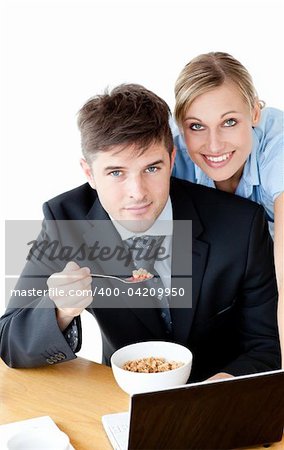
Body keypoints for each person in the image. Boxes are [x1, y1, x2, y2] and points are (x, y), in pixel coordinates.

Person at [0, 84, 280, 382]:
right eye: (116, 173)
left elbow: (267, 346)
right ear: (89, 173)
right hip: (121, 403)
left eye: (152, 169)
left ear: (172, 160)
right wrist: (60, 310)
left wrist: (219, 388)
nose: (137, 193)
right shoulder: (67, 221)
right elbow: (9, 340)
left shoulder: (241, 223)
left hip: (222, 398)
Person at [171, 51, 284, 360]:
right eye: (196, 127)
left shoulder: (278, 143)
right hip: (214, 296)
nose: (215, 145)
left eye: (230, 122)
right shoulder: (167, 152)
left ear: (255, 112)